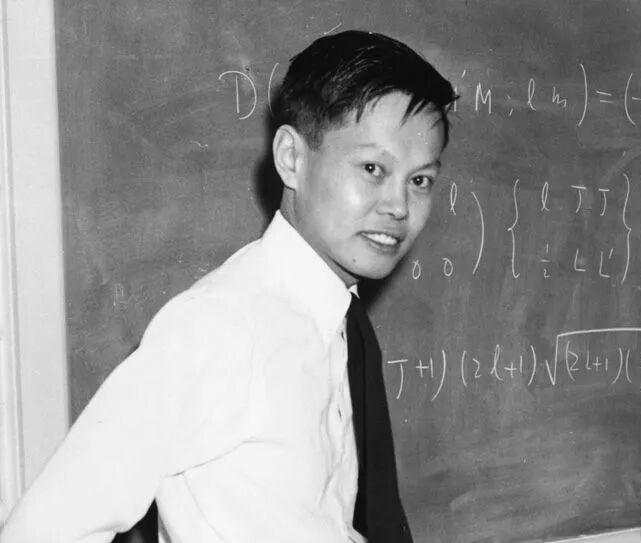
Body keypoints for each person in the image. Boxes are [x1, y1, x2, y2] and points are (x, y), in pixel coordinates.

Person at [1, 30, 457, 543]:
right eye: (372, 169)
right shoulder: (221, 326)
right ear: (292, 158)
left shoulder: (336, 323)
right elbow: (40, 531)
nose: (398, 206)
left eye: (420, 180)